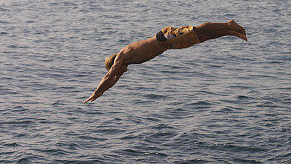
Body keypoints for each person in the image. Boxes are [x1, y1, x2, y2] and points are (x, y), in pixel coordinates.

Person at [84, 20, 247, 103]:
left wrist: (95, 92)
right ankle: (230, 32)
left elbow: (109, 77)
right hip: (168, 44)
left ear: (114, 65)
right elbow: (112, 80)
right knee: (201, 38)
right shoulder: (125, 62)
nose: (120, 73)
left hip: (164, 38)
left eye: (117, 70)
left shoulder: (122, 56)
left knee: (197, 31)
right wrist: (102, 93)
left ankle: (228, 25)